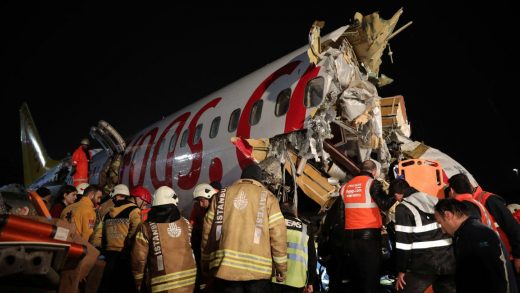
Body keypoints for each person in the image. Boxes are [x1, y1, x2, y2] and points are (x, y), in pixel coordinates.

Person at [201, 163, 287, 292]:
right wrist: (281, 267)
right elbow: (278, 235)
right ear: (258, 179)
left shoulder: (220, 195)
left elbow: (207, 233)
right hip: (258, 273)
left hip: (224, 270)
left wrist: (205, 263)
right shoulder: (269, 197)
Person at [434, 198, 518, 293]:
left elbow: (500, 276)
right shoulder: (464, 235)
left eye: (440, 223)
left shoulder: (478, 234)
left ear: (448, 215)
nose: (443, 230)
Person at [389, 179, 455, 293]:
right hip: (449, 260)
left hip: (425, 265)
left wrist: (401, 271)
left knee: (400, 288)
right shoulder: (434, 199)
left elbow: (403, 245)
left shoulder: (403, 208)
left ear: (397, 195)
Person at [339, 159, 396, 292]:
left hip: (350, 239)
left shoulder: (346, 186)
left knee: (356, 277)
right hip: (369, 238)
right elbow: (384, 204)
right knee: (371, 277)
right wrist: (394, 195)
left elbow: (341, 215)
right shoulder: (372, 183)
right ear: (374, 171)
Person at [131, 185, 197, 293]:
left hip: (162, 285)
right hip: (189, 282)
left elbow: (138, 259)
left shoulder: (146, 227)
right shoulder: (186, 223)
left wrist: (138, 283)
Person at [93, 183, 141, 293]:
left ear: (115, 196)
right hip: (124, 255)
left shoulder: (108, 213)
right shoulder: (134, 210)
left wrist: (100, 249)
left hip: (109, 255)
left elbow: (97, 234)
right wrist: (128, 244)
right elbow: (136, 230)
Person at [272, 202, 317, 293]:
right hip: (297, 280)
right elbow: (312, 257)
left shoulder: (274, 224)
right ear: (294, 212)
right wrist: (311, 282)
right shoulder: (306, 228)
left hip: (275, 278)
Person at [190, 183, 219, 292]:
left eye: (202, 201)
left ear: (209, 197)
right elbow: (192, 222)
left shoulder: (220, 206)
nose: (200, 204)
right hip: (203, 243)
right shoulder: (198, 207)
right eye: (199, 201)